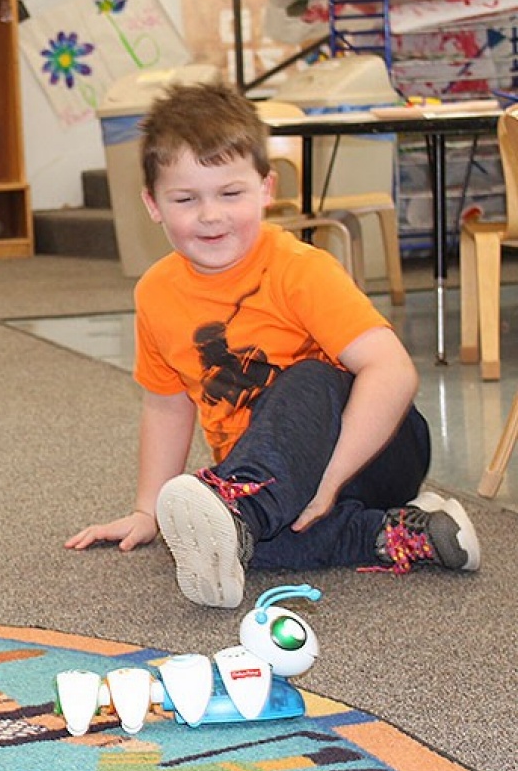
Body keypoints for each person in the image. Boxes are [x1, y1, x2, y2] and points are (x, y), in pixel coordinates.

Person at [64, 80, 480, 608]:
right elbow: (167, 405)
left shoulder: (300, 269)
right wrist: (148, 511)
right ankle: (408, 534)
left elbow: (393, 373)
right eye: (186, 199)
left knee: (304, 381)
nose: (210, 215)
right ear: (153, 204)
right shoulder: (156, 293)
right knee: (245, 540)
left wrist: (327, 482)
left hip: (375, 451)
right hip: (274, 487)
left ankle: (243, 514)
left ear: (266, 188)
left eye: (230, 193)